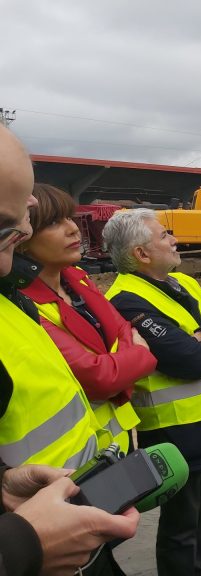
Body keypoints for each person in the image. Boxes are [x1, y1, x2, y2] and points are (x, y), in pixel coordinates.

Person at [0, 125, 139, 575]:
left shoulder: (60, 287)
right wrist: (19, 546)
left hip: (74, 490)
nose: (72, 230)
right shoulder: (31, 300)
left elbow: (130, 346)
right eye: (7, 232)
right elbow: (103, 373)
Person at [102, 208, 201, 576]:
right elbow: (189, 361)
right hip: (174, 432)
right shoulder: (126, 301)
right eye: (164, 235)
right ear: (141, 253)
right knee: (181, 527)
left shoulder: (180, 283)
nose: (175, 239)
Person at [19, 184, 156, 453]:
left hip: (119, 439)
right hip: (78, 456)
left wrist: (120, 360)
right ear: (21, 238)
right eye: (53, 223)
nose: (73, 228)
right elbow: (99, 378)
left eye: (69, 217)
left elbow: (123, 332)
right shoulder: (24, 304)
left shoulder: (78, 281)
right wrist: (140, 353)